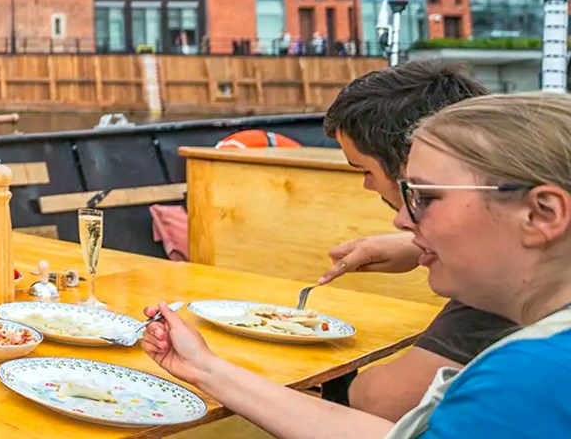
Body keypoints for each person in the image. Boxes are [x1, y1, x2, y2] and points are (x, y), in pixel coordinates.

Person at [140, 92, 571, 437]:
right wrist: (204, 368)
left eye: (425, 197)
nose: (402, 220)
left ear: (543, 215)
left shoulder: (526, 379)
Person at [315, 60, 512, 419]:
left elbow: (384, 401)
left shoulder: (507, 271)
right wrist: (417, 245)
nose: (400, 220)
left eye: (366, 170)